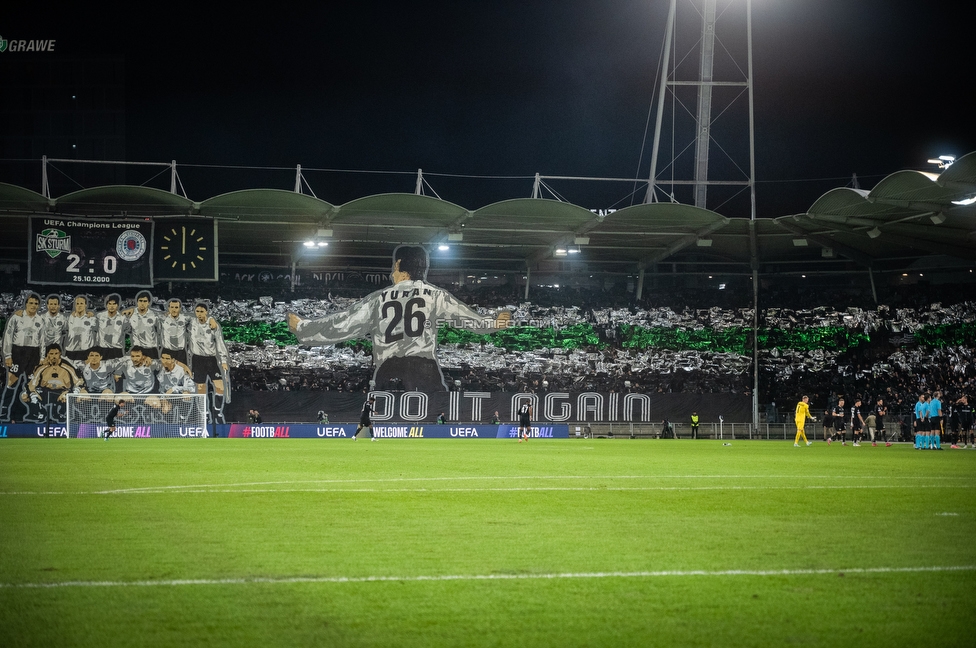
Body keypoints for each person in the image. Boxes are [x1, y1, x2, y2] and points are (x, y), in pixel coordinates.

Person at [288, 245, 511, 393]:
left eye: (394, 265)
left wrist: (304, 328)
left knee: (386, 424)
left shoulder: (379, 298)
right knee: (434, 424)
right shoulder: (434, 295)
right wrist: (493, 323)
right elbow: (465, 318)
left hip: (388, 368)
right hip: (425, 369)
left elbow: (344, 323)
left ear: (399, 265)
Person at [1, 292, 45, 421]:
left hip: (33, 353)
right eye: (31, 303)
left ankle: (35, 412)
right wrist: (8, 355)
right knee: (12, 381)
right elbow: (8, 337)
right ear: (26, 304)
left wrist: (42, 357)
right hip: (18, 351)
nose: (33, 305)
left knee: (32, 383)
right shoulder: (16, 317)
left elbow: (42, 341)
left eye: (36, 304)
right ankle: (4, 412)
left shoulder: (40, 320)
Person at [188, 302, 231, 423]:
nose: (199, 314)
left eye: (202, 311)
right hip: (197, 359)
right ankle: (205, 414)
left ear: (206, 312)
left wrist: (223, 360)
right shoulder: (191, 322)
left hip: (211, 359)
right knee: (201, 388)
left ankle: (217, 411)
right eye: (197, 311)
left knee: (220, 387)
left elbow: (220, 343)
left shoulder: (213, 325)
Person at [21, 344, 82, 423]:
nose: (54, 356)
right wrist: (33, 394)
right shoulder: (41, 368)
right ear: (47, 355)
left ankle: (63, 413)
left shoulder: (68, 366)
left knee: (72, 395)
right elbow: (32, 384)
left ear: (60, 354)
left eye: (56, 354)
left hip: (61, 393)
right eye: (51, 354)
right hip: (46, 393)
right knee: (24, 395)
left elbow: (79, 382)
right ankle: (39, 413)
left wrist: (71, 393)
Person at [121, 290, 162, 359]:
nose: (142, 303)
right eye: (140, 301)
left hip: (150, 349)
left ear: (148, 303)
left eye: (145, 301)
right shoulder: (131, 314)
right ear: (137, 302)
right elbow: (126, 330)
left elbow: (160, 332)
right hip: (136, 349)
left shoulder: (154, 315)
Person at [64, 295, 97, 367]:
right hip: (71, 350)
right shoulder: (70, 317)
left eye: (81, 303)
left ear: (85, 305)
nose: (79, 306)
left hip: (85, 351)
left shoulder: (91, 318)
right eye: (77, 304)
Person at [95, 294, 127, 360]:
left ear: (118, 305)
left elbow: (129, 331)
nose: (111, 306)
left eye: (114, 304)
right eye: (109, 304)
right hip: (102, 349)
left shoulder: (123, 318)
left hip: (117, 350)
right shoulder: (99, 316)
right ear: (106, 305)